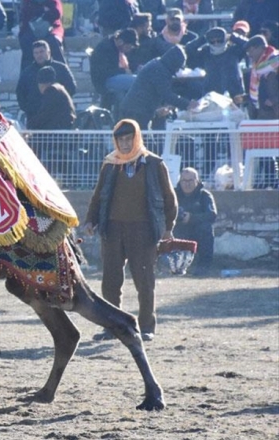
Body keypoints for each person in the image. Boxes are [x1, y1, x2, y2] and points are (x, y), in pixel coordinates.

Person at [84, 119, 178, 342]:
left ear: (136, 138)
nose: (125, 144)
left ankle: (146, 327)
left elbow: (169, 198)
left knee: (144, 280)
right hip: (112, 230)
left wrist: (168, 228)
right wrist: (90, 220)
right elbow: (98, 196)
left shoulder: (154, 164)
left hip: (143, 230)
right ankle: (112, 327)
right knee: (110, 281)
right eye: (120, 140)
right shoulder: (110, 164)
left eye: (128, 139)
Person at [119, 45, 198, 129]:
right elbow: (167, 95)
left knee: (144, 139)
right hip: (136, 112)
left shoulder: (158, 65)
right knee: (140, 140)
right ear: (173, 63)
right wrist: (187, 104)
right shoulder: (160, 71)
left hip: (136, 109)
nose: (177, 70)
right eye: (177, 67)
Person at [16, 39, 77, 119]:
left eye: (41, 52)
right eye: (36, 53)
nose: (39, 55)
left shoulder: (61, 68)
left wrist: (59, 105)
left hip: (59, 117)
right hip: (36, 118)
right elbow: (20, 92)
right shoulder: (27, 73)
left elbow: (71, 88)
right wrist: (29, 109)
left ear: (48, 52)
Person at [174, 167, 216, 276]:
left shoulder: (205, 195)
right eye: (184, 181)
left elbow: (212, 215)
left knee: (206, 228)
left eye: (190, 181)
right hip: (178, 230)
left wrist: (192, 218)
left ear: (197, 181)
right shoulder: (173, 195)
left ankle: (203, 268)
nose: (187, 184)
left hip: (198, 232)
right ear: (180, 181)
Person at [90, 28, 139, 110]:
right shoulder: (106, 48)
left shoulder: (117, 47)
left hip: (115, 76)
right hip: (105, 80)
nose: (128, 50)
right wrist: (124, 71)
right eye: (128, 47)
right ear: (120, 41)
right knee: (136, 81)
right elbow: (105, 71)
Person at [18, 0, 64, 70]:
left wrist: (42, 14)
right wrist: (43, 9)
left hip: (52, 28)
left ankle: (62, 73)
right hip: (31, 30)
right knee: (27, 43)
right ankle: (27, 75)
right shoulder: (27, 2)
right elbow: (25, 15)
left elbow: (56, 13)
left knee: (53, 42)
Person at [244, 35, 279, 120]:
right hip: (264, 113)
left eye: (251, 50)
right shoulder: (256, 69)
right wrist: (245, 98)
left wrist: (274, 100)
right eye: (248, 52)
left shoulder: (276, 63)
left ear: (261, 48)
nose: (250, 55)